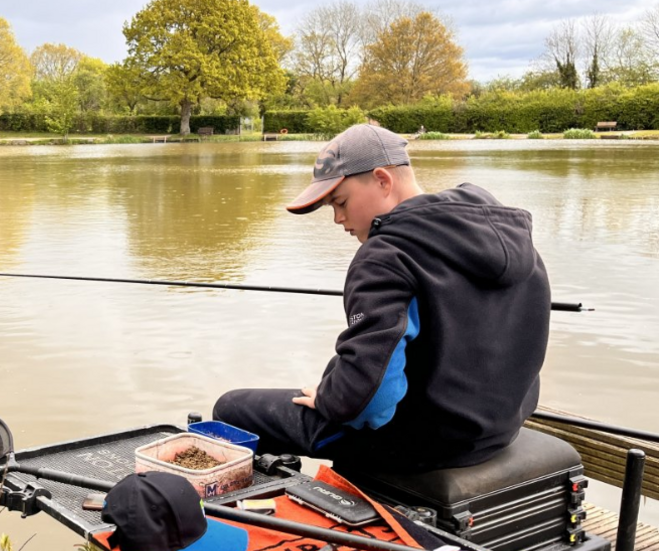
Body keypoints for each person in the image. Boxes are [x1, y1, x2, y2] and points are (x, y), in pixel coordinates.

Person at [213, 124, 550, 472]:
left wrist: (331, 398)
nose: (337, 219)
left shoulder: (385, 256)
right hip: (499, 430)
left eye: (340, 202)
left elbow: (369, 404)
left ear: (382, 180)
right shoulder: (510, 238)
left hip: (424, 443)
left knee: (232, 409)